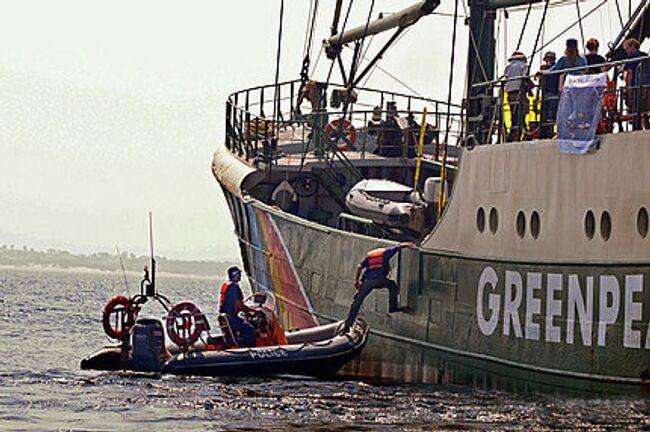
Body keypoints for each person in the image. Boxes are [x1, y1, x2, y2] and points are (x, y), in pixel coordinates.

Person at [343, 242, 416, 331]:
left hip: (367, 281)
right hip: (379, 280)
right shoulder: (386, 253)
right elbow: (401, 246)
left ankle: (348, 325)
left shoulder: (369, 256)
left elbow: (359, 267)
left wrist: (357, 281)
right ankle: (393, 307)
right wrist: (413, 245)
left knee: (357, 300)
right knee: (392, 285)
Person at [219, 266, 257, 347]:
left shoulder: (227, 285)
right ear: (235, 275)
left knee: (243, 324)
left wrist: (247, 311)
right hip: (232, 318)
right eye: (239, 274)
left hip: (227, 317)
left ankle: (233, 342)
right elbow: (240, 306)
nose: (240, 276)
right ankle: (251, 349)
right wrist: (253, 311)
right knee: (249, 329)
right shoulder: (234, 288)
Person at [504, 51, 531, 141]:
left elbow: (506, 77)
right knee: (521, 113)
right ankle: (522, 132)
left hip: (510, 92)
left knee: (513, 113)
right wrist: (530, 90)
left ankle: (514, 133)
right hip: (519, 92)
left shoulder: (508, 67)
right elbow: (524, 78)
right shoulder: (523, 66)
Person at [622, 38, 650, 121]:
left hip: (636, 86)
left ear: (632, 46)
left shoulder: (631, 58)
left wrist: (627, 89)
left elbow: (629, 74)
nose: (626, 51)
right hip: (647, 85)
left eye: (626, 49)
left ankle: (636, 124)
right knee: (645, 108)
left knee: (635, 108)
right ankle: (646, 123)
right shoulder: (645, 56)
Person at [536, 51, 560, 139]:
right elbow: (540, 82)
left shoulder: (552, 68)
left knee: (550, 113)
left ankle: (549, 132)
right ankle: (547, 131)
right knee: (548, 113)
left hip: (551, 92)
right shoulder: (553, 68)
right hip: (549, 93)